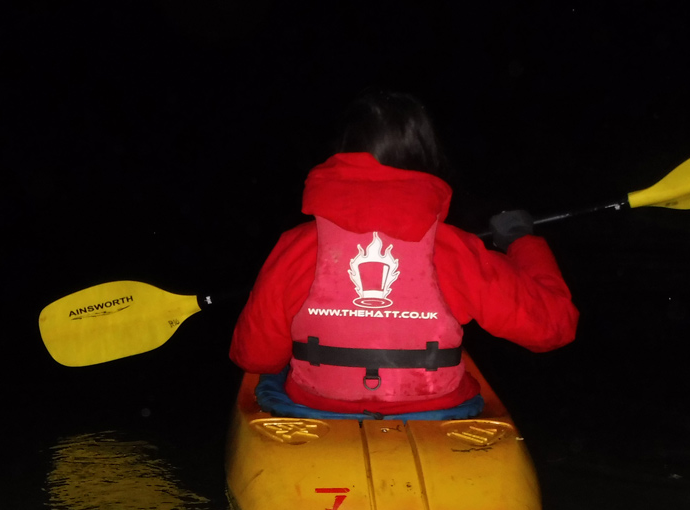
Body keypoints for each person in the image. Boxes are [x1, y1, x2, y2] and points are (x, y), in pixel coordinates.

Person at [229, 90, 578, 417]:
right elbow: (553, 327)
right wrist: (521, 242)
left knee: (269, 373)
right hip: (436, 408)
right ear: (424, 157)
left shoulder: (296, 245)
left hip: (316, 406)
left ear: (341, 153)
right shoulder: (453, 248)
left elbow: (255, 355)